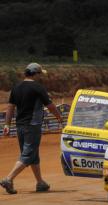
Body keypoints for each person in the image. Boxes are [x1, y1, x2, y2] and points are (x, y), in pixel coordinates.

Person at [0, 63, 63, 194]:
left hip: (20, 126)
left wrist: (7, 124)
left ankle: (40, 182)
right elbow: (50, 106)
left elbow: (10, 107)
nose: (41, 77)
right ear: (35, 74)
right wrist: (59, 117)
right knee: (28, 154)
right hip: (32, 126)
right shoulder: (38, 88)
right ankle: (8, 179)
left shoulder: (16, 88)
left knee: (32, 154)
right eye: (40, 74)